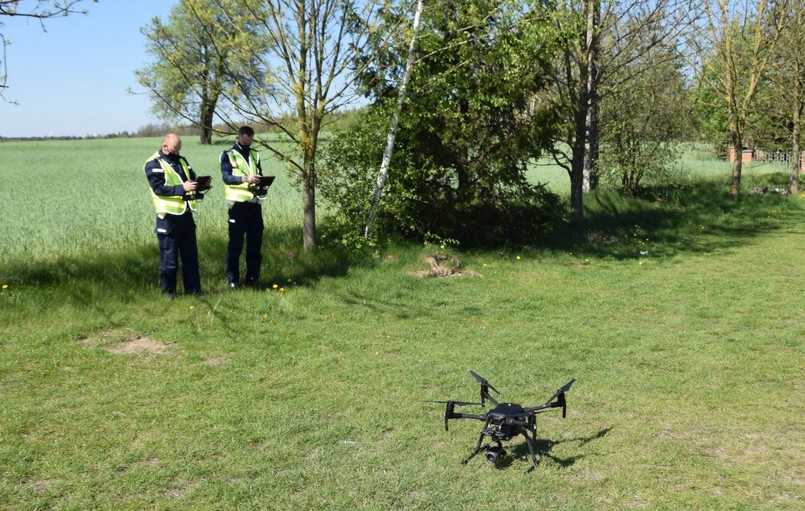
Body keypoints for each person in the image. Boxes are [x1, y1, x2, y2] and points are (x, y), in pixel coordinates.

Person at [144, 133, 203, 299]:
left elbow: (192, 178)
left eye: (178, 151)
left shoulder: (182, 160)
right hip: (168, 219)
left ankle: (194, 291)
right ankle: (168, 293)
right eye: (174, 150)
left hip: (186, 215)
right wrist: (181, 188)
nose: (177, 154)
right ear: (165, 147)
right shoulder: (153, 163)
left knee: (190, 258)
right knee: (169, 261)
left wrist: (200, 183)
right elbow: (159, 188)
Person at [221, 126, 266, 288]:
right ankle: (232, 280)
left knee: (255, 245)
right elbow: (226, 177)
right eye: (244, 142)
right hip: (237, 206)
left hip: (254, 204)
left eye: (249, 142)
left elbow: (259, 172)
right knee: (235, 245)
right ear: (238, 137)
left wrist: (261, 182)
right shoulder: (228, 154)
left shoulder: (255, 154)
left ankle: (253, 278)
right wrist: (245, 178)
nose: (247, 145)